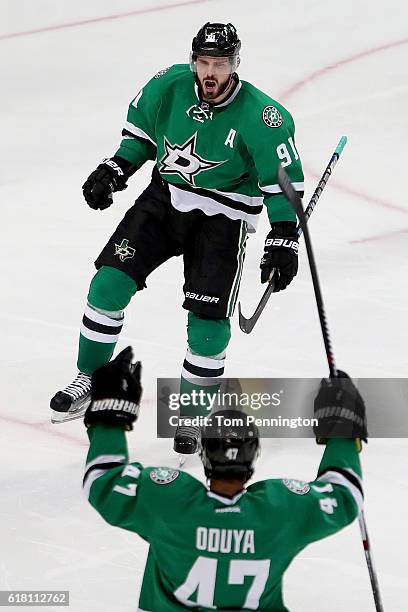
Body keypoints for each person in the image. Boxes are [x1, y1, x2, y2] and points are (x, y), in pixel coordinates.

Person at [50, 22, 304, 456]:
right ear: (193, 62)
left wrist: (283, 237)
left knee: (206, 330)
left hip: (224, 218)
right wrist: (115, 170)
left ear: (234, 65)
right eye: (203, 62)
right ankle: (90, 377)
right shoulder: (169, 85)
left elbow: (283, 183)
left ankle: (191, 415)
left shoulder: (265, 116)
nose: (210, 72)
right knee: (108, 284)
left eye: (220, 64)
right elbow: (141, 138)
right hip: (164, 199)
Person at [83, 347, 367, 612]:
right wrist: (342, 427)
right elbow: (345, 494)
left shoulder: (168, 502)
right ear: (254, 456)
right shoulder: (280, 511)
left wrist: (111, 413)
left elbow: (103, 479)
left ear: (204, 455)